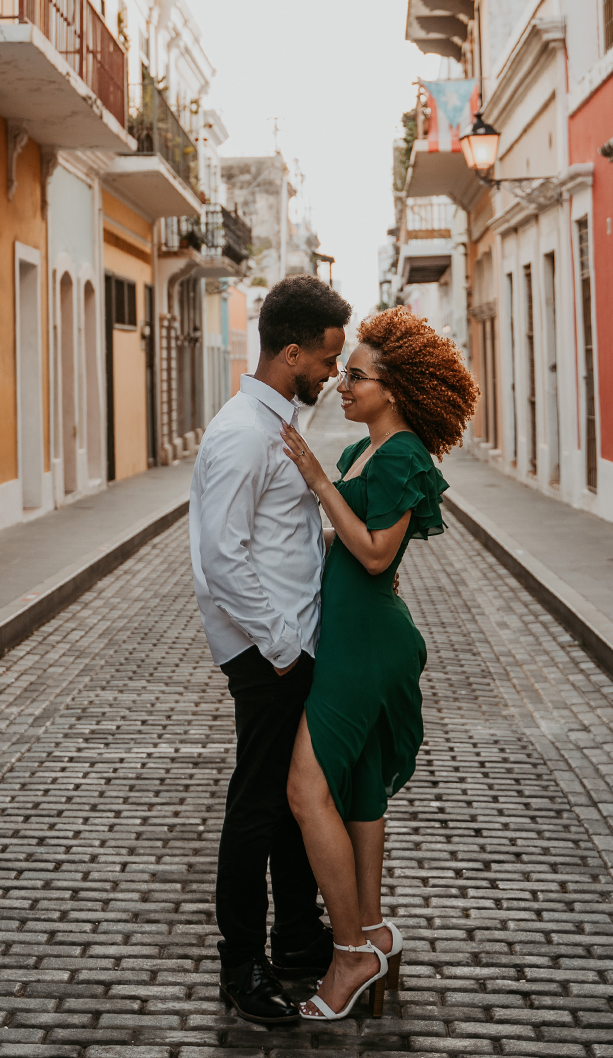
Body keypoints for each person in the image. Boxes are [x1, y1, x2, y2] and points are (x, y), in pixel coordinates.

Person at [281, 306, 478, 1021]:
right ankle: (373, 931)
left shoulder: (401, 456)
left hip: (366, 647)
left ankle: (351, 953)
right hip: (352, 634)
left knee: (306, 791)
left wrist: (313, 478)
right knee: (359, 789)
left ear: (391, 388)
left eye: (356, 376)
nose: (343, 384)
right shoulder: (365, 450)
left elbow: (371, 552)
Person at [189, 275, 352, 1025]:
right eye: (326, 358)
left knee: (295, 801)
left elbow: (278, 538)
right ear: (291, 352)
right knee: (256, 807)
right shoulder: (240, 433)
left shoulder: (276, 420)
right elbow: (222, 559)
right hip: (266, 650)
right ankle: (242, 966)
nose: (331, 373)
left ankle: (293, 937)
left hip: (292, 640)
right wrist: (283, 646)